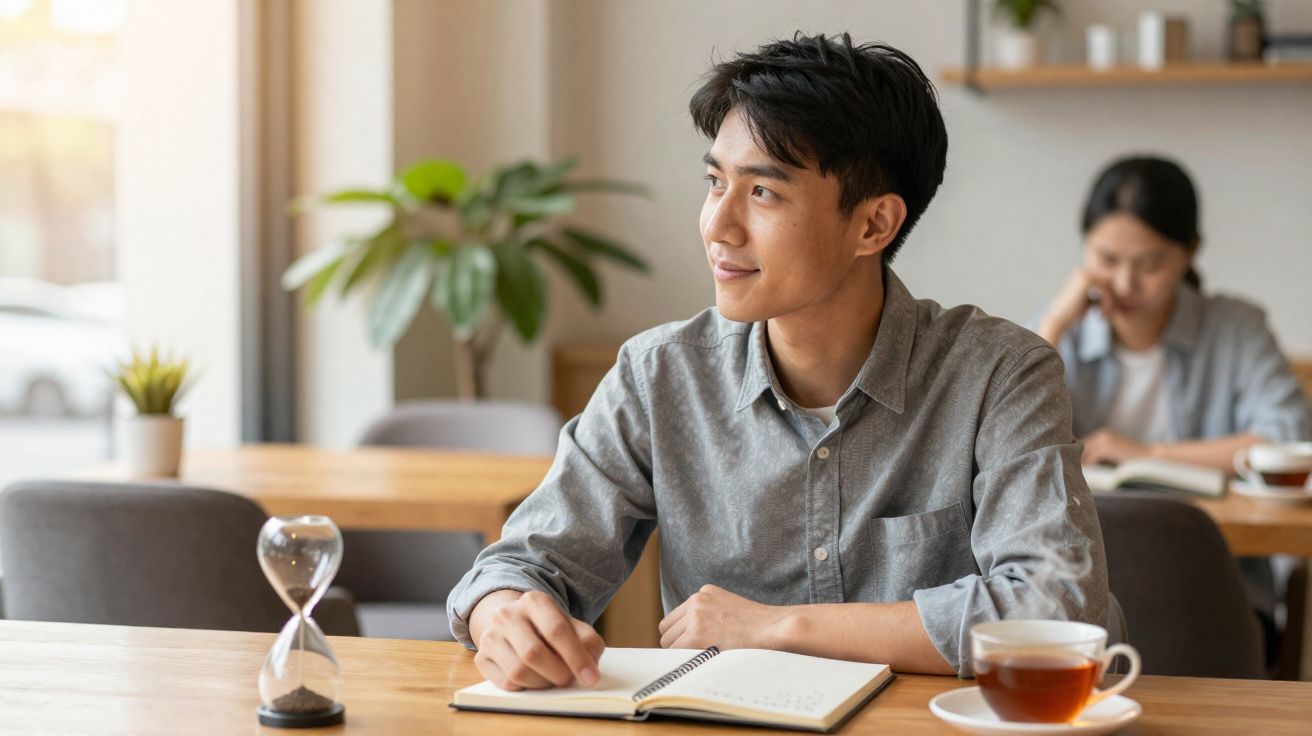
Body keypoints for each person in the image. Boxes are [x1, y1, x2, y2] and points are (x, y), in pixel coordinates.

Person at [447, 32, 1110, 691]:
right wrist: (502, 616)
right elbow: (523, 565)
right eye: (715, 182)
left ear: (874, 225)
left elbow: (1052, 610)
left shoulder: (1000, 373)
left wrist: (776, 628)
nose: (718, 225)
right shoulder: (660, 376)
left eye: (762, 193)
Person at [1034, 155, 1311, 663]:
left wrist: (1144, 454)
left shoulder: (1235, 327)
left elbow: (1285, 438)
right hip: (1072, 606)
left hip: (1213, 598)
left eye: (1149, 264)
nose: (1124, 283)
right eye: (1106, 258)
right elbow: (1000, 434)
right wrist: (1054, 320)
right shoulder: (1060, 336)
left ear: (1190, 253)